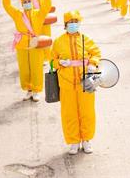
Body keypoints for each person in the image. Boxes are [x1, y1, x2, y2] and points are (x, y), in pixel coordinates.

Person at [51, 11, 102, 155]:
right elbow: (51, 61)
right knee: (69, 114)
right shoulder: (59, 42)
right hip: (66, 84)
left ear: (79, 23)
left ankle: (86, 140)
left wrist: (93, 63)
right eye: (70, 22)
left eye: (75, 22)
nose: (73, 25)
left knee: (87, 112)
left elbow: (96, 53)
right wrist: (59, 62)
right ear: (65, 25)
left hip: (85, 82)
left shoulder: (86, 39)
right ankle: (73, 141)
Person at [2, 0, 51, 102]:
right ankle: (28, 89)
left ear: (32, 2)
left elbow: (46, 6)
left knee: (36, 67)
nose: (27, 4)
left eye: (29, 1)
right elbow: (7, 6)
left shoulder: (38, 13)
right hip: (22, 44)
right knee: (24, 68)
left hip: (35, 43)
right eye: (25, 2)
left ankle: (36, 90)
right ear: (22, 4)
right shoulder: (17, 14)